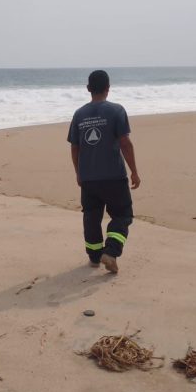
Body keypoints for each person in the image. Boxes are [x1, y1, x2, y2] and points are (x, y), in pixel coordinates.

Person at [67, 70, 140, 274]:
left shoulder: (79, 114)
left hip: (89, 178)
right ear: (108, 88)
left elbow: (75, 147)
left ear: (88, 89)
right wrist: (134, 171)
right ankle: (111, 251)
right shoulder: (117, 111)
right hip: (114, 177)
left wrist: (78, 173)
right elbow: (125, 143)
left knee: (91, 217)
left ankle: (94, 257)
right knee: (123, 215)